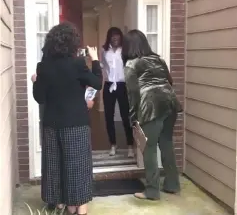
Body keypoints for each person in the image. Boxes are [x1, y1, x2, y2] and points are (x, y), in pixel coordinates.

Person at [31, 22, 102, 215]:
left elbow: (39, 98)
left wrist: (35, 82)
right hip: (76, 123)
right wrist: (95, 60)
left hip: (52, 123)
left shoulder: (43, 67)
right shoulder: (78, 64)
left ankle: (59, 202)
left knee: (55, 164)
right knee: (77, 165)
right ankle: (78, 206)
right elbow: (97, 83)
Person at [122, 29, 182, 200]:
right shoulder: (158, 59)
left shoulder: (131, 64)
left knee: (149, 148)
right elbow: (170, 81)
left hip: (152, 107)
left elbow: (132, 94)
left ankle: (152, 190)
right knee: (167, 143)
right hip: (170, 104)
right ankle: (172, 184)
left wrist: (133, 119)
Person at [101, 27, 134, 157]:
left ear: (121, 37)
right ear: (109, 37)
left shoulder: (125, 51)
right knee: (108, 117)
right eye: (112, 36)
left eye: (117, 35)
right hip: (109, 86)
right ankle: (113, 145)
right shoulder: (104, 51)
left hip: (122, 85)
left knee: (125, 116)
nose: (115, 38)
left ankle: (130, 146)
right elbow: (102, 66)